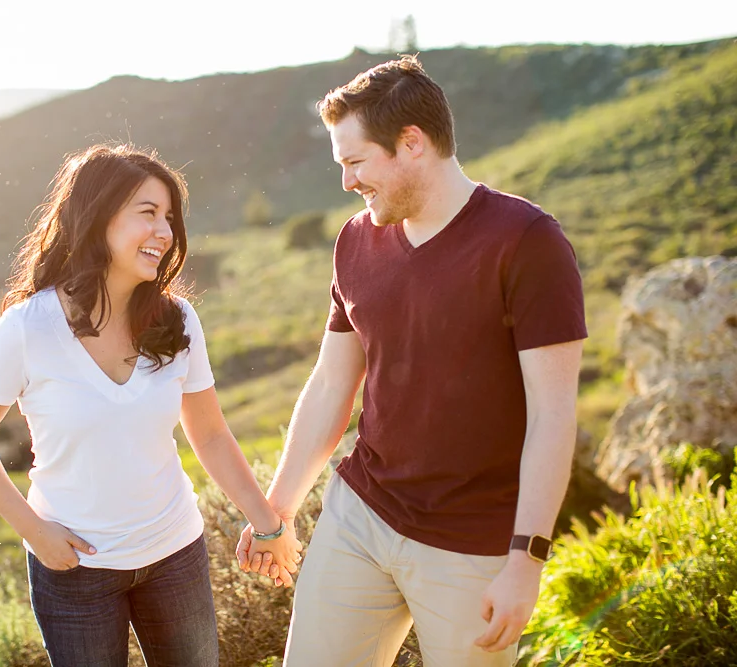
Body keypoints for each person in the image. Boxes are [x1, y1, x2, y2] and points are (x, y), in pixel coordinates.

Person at [237, 55, 587, 666]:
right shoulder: (355, 240)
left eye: (355, 162)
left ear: (412, 143)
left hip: (471, 544)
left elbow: (554, 415)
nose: (346, 183)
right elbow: (330, 386)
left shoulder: (527, 242)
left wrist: (525, 562)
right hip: (362, 514)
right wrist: (278, 510)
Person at [0, 144, 301, 667]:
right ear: (98, 217)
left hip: (175, 554)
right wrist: (37, 534)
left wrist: (268, 525)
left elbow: (209, 435)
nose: (165, 231)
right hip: (73, 573)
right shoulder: (29, 327)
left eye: (170, 218)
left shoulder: (178, 320)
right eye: (148, 213)